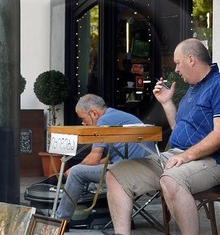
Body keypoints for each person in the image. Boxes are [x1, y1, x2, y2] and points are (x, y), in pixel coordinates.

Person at [106, 38, 220, 235]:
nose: (176, 69)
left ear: (191, 59)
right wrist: (167, 103)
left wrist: (185, 156)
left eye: (178, 63)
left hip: (213, 161)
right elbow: (180, 132)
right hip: (178, 157)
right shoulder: (191, 91)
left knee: (171, 180)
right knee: (116, 174)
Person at [51, 94, 158, 223]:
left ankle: (61, 220)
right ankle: (102, 216)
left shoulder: (103, 121)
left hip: (132, 171)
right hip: (148, 168)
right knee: (86, 175)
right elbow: (106, 159)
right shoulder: (116, 116)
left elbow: (94, 159)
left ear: (94, 113)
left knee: (76, 173)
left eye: (84, 119)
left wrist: (72, 168)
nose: (83, 124)